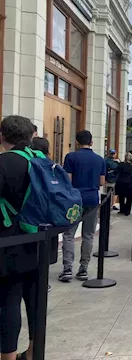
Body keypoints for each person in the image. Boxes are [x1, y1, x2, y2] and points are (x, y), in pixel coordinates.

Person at [0, 116, 38, 360]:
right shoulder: (42, 160)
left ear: (2, 136)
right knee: (35, 300)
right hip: (38, 240)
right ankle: (35, 351)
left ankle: (8, 356)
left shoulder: (4, 163)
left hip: (9, 240)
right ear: (31, 135)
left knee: (8, 302)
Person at [59, 130, 106, 282]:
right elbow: (102, 182)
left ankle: (67, 269)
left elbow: (68, 180)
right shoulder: (99, 160)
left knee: (69, 234)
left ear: (77, 142)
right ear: (91, 142)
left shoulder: (71, 157)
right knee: (88, 234)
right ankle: (83, 269)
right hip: (92, 199)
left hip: (74, 200)